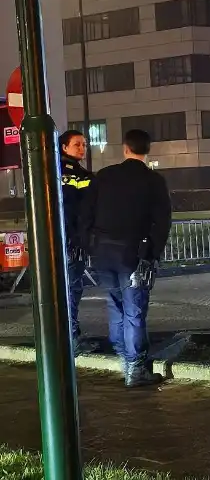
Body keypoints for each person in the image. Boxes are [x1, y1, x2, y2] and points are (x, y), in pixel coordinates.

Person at [78, 129, 172, 388]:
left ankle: (124, 358)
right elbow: (162, 223)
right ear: (147, 149)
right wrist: (151, 254)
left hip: (103, 253)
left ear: (125, 148)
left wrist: (89, 244)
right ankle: (136, 368)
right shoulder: (153, 181)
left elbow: (86, 213)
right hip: (134, 254)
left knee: (115, 305)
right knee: (134, 311)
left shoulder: (105, 176)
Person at [58, 129, 94, 355]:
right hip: (73, 242)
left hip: (62, 241)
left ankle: (69, 337)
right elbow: (78, 210)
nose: (82, 148)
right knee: (72, 290)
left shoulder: (53, 170)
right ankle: (72, 340)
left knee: (66, 290)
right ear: (64, 147)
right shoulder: (77, 175)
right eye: (77, 144)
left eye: (84, 144)